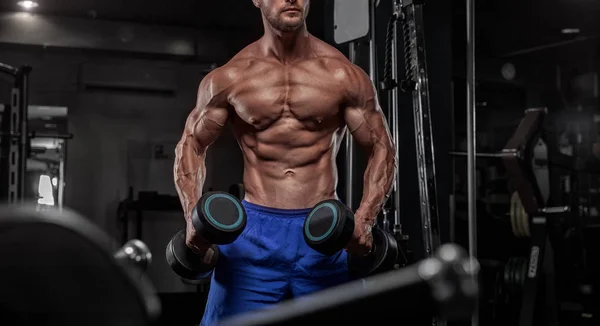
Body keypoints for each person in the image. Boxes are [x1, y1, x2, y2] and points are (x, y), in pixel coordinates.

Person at [173, 0, 397, 325]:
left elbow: (382, 147)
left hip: (323, 234)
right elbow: (191, 145)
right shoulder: (230, 77)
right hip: (250, 237)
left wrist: (364, 219)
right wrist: (193, 217)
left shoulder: (342, 75)